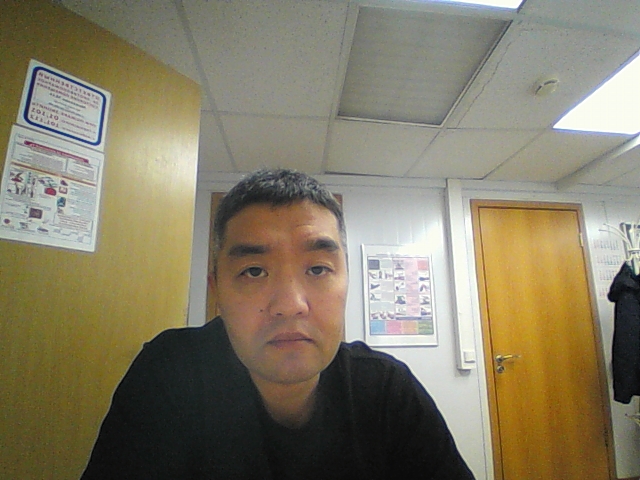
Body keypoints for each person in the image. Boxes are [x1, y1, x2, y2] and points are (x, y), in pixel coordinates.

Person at [81, 169, 475, 479]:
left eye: (318, 269)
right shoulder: (171, 374)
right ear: (217, 292)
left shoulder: (387, 391)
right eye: (254, 271)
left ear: (346, 283)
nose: (290, 305)